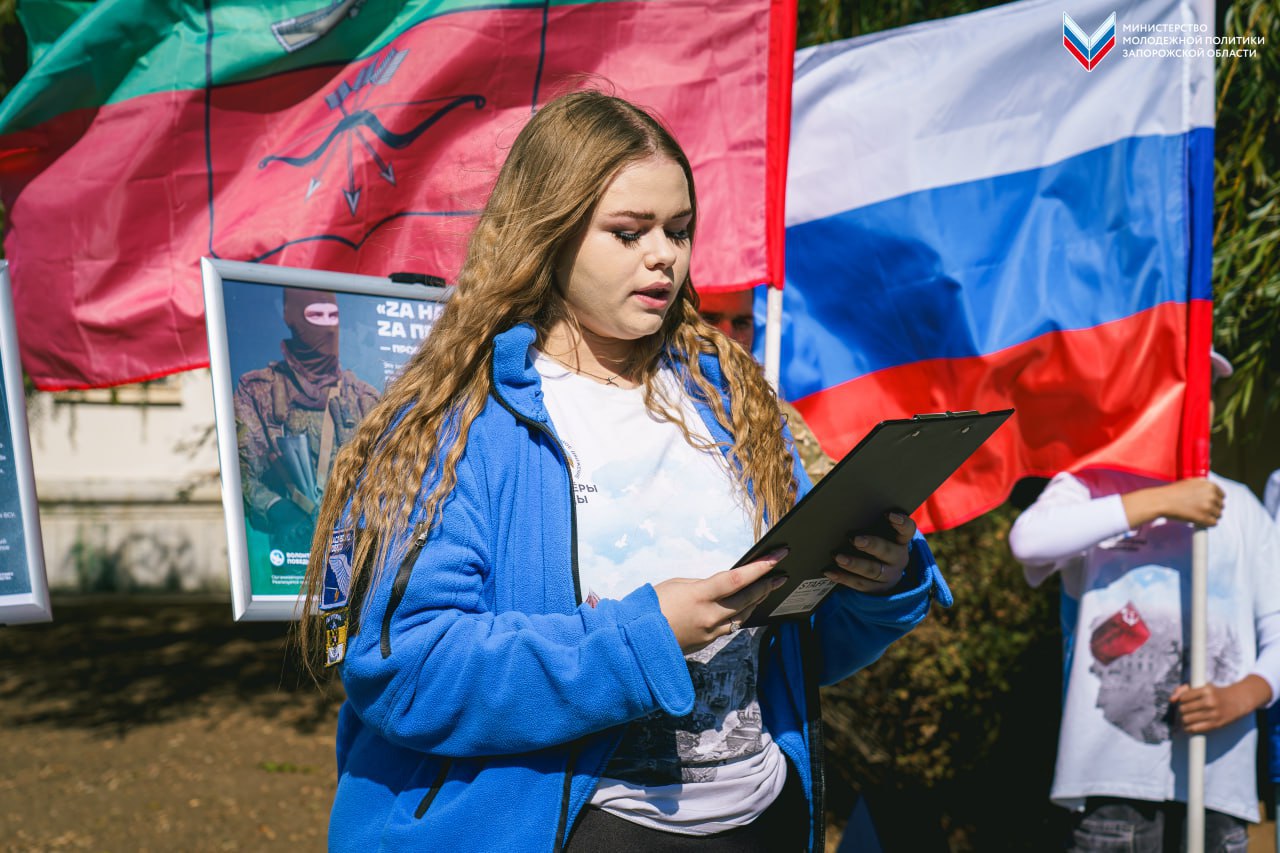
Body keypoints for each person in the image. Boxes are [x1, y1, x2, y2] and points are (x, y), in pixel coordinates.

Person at [298, 90, 951, 851]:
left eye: (678, 229)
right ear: (547, 234)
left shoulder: (731, 399)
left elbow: (795, 651)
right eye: (628, 231)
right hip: (574, 832)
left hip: (763, 821)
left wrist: (874, 585)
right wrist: (642, 640)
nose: (663, 254)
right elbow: (408, 671)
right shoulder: (456, 424)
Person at [1010, 350, 1280, 851]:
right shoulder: (1093, 487)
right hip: (1112, 782)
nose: (1192, 405)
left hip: (1219, 784)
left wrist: (1245, 694)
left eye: (1203, 393)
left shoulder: (1243, 507)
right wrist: (1161, 500)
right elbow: (1029, 540)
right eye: (1176, 389)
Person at [233, 288, 379, 554]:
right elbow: (243, 473)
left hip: (352, 550)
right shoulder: (257, 390)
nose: (328, 328)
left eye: (333, 316)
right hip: (289, 553)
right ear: (293, 319)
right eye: (316, 315)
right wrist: (276, 508)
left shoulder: (363, 397)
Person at [696, 287, 836, 482]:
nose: (727, 335)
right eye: (710, 319)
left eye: (741, 323)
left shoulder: (778, 414)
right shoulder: (662, 402)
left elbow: (828, 488)